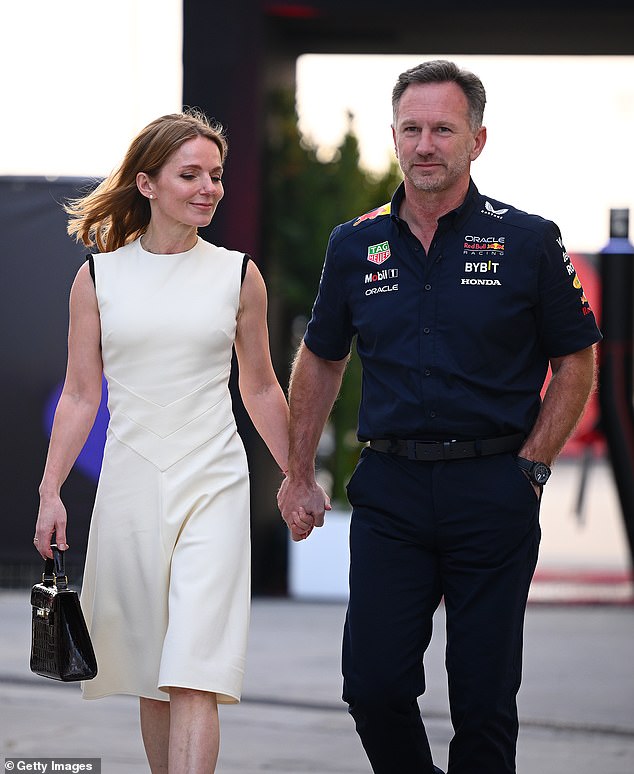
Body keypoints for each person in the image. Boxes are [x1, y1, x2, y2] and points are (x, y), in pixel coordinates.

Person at [278, 60, 601, 774]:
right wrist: (299, 473)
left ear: (477, 140)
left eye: (443, 129)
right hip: (391, 489)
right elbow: (322, 358)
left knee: (484, 702)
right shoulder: (353, 244)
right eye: (412, 129)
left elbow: (577, 360)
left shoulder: (527, 240)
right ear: (395, 137)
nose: (426, 144)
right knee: (373, 685)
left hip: (495, 488)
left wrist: (533, 463)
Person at [34, 110, 290, 773]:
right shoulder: (97, 278)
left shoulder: (239, 275)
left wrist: (299, 475)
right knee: (152, 672)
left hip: (215, 482)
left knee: (194, 668)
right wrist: (50, 490)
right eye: (191, 174)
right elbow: (81, 393)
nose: (209, 188)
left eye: (216, 175)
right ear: (147, 184)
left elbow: (260, 388)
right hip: (131, 488)